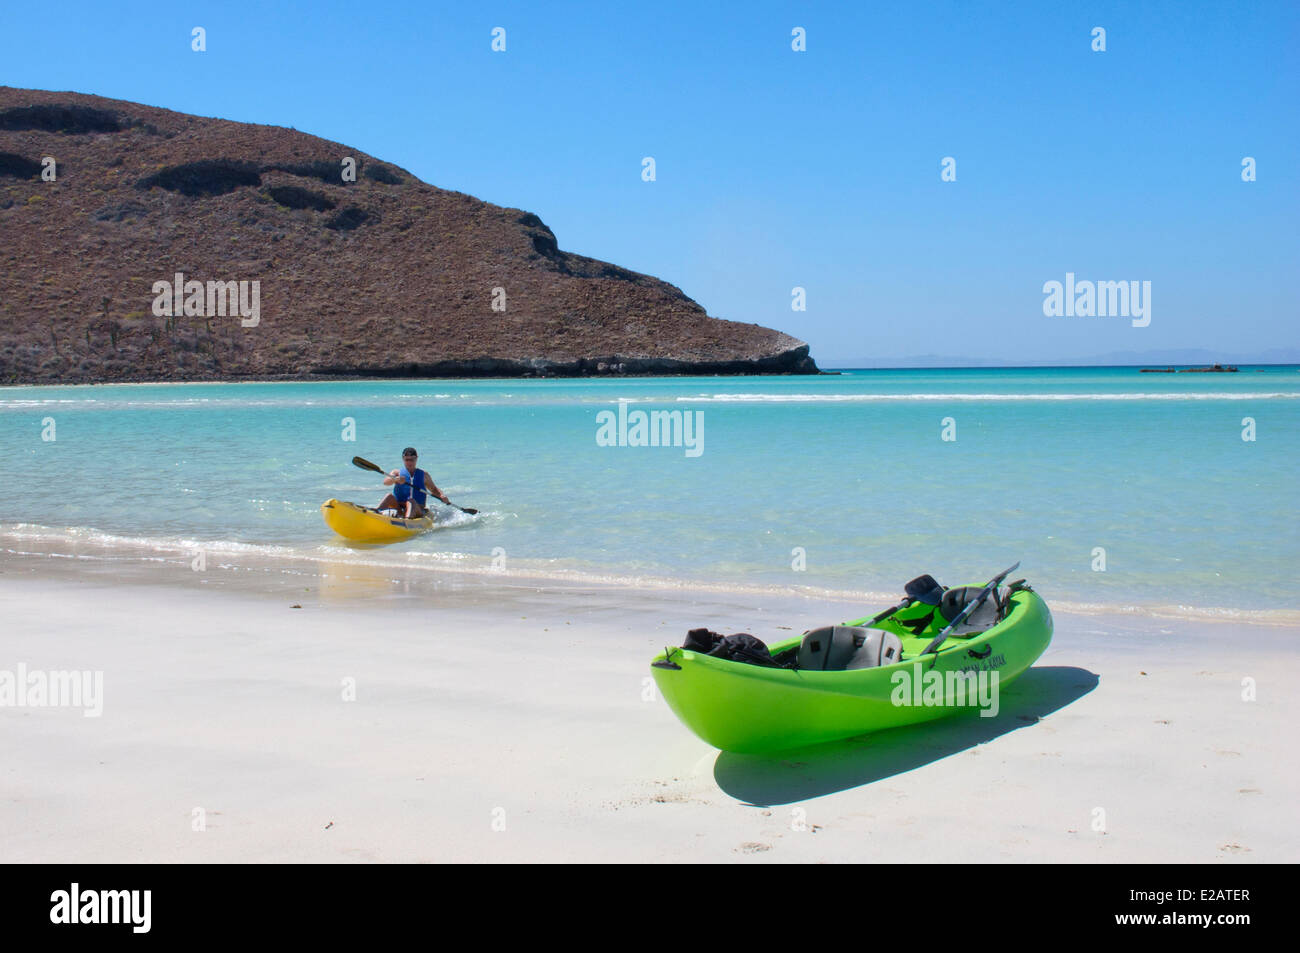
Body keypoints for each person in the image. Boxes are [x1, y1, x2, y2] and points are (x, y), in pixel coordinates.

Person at [375, 447, 449, 519]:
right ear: (403, 459)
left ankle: (407, 521)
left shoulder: (424, 475)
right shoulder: (396, 473)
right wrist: (395, 480)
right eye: (407, 460)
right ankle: (375, 512)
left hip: (417, 509)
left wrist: (442, 496)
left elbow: (433, 489)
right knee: (389, 496)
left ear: (416, 459)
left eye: (412, 459)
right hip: (400, 508)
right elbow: (386, 482)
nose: (409, 462)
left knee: (411, 501)